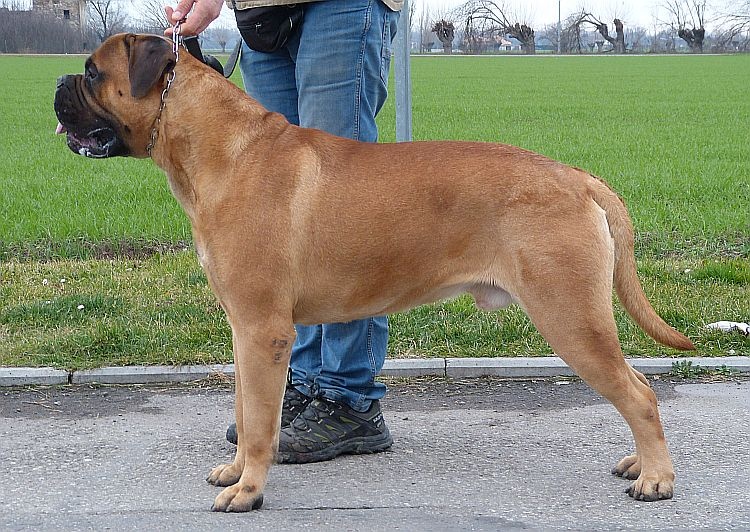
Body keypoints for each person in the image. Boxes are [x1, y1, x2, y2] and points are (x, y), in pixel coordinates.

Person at [165, 0, 402, 464]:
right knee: (279, 222)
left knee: (344, 212)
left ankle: (348, 396)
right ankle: (305, 382)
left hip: (338, 7)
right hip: (262, 14)